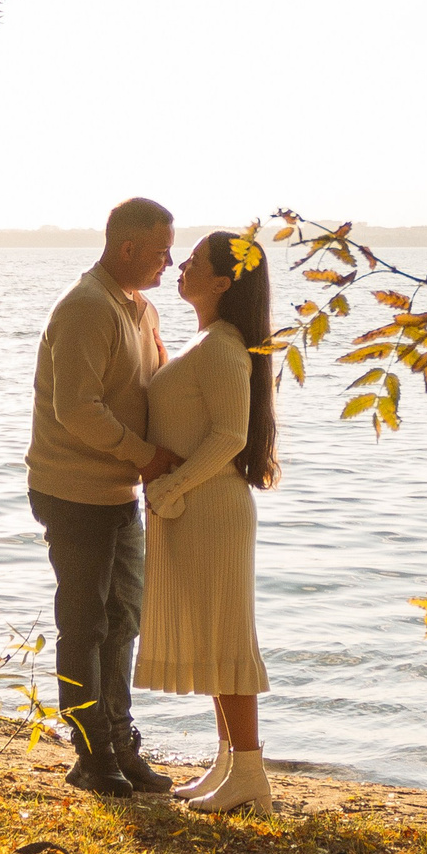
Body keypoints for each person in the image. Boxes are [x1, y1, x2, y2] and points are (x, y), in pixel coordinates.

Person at [27, 196, 180, 797]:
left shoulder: (140, 310)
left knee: (124, 622)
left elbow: (151, 387)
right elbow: (77, 409)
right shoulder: (87, 308)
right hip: (73, 491)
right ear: (128, 248)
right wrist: (143, 455)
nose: (169, 262)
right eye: (163, 251)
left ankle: (119, 742)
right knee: (86, 624)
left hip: (118, 491)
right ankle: (91, 756)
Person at [135, 230, 280, 815]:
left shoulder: (223, 346)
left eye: (192, 261)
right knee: (214, 637)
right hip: (194, 507)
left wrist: (170, 485)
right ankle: (228, 763)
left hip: (212, 507)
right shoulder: (206, 340)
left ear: (222, 282)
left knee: (227, 639)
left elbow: (231, 436)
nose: (180, 266)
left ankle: (251, 775)